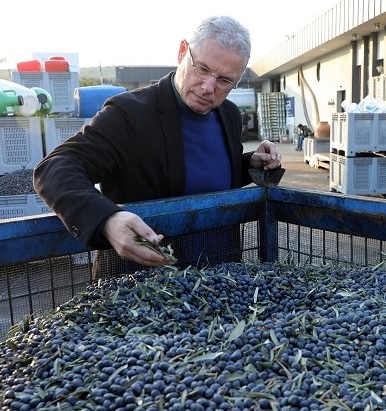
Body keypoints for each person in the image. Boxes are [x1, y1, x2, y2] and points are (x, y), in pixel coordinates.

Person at [33, 16, 282, 272]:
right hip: (144, 286)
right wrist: (106, 219)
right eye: (202, 69)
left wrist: (249, 163)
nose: (208, 87)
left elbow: (206, 175)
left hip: (218, 276)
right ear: (182, 51)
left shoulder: (228, 114)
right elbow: (55, 167)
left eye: (224, 80)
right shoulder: (129, 113)